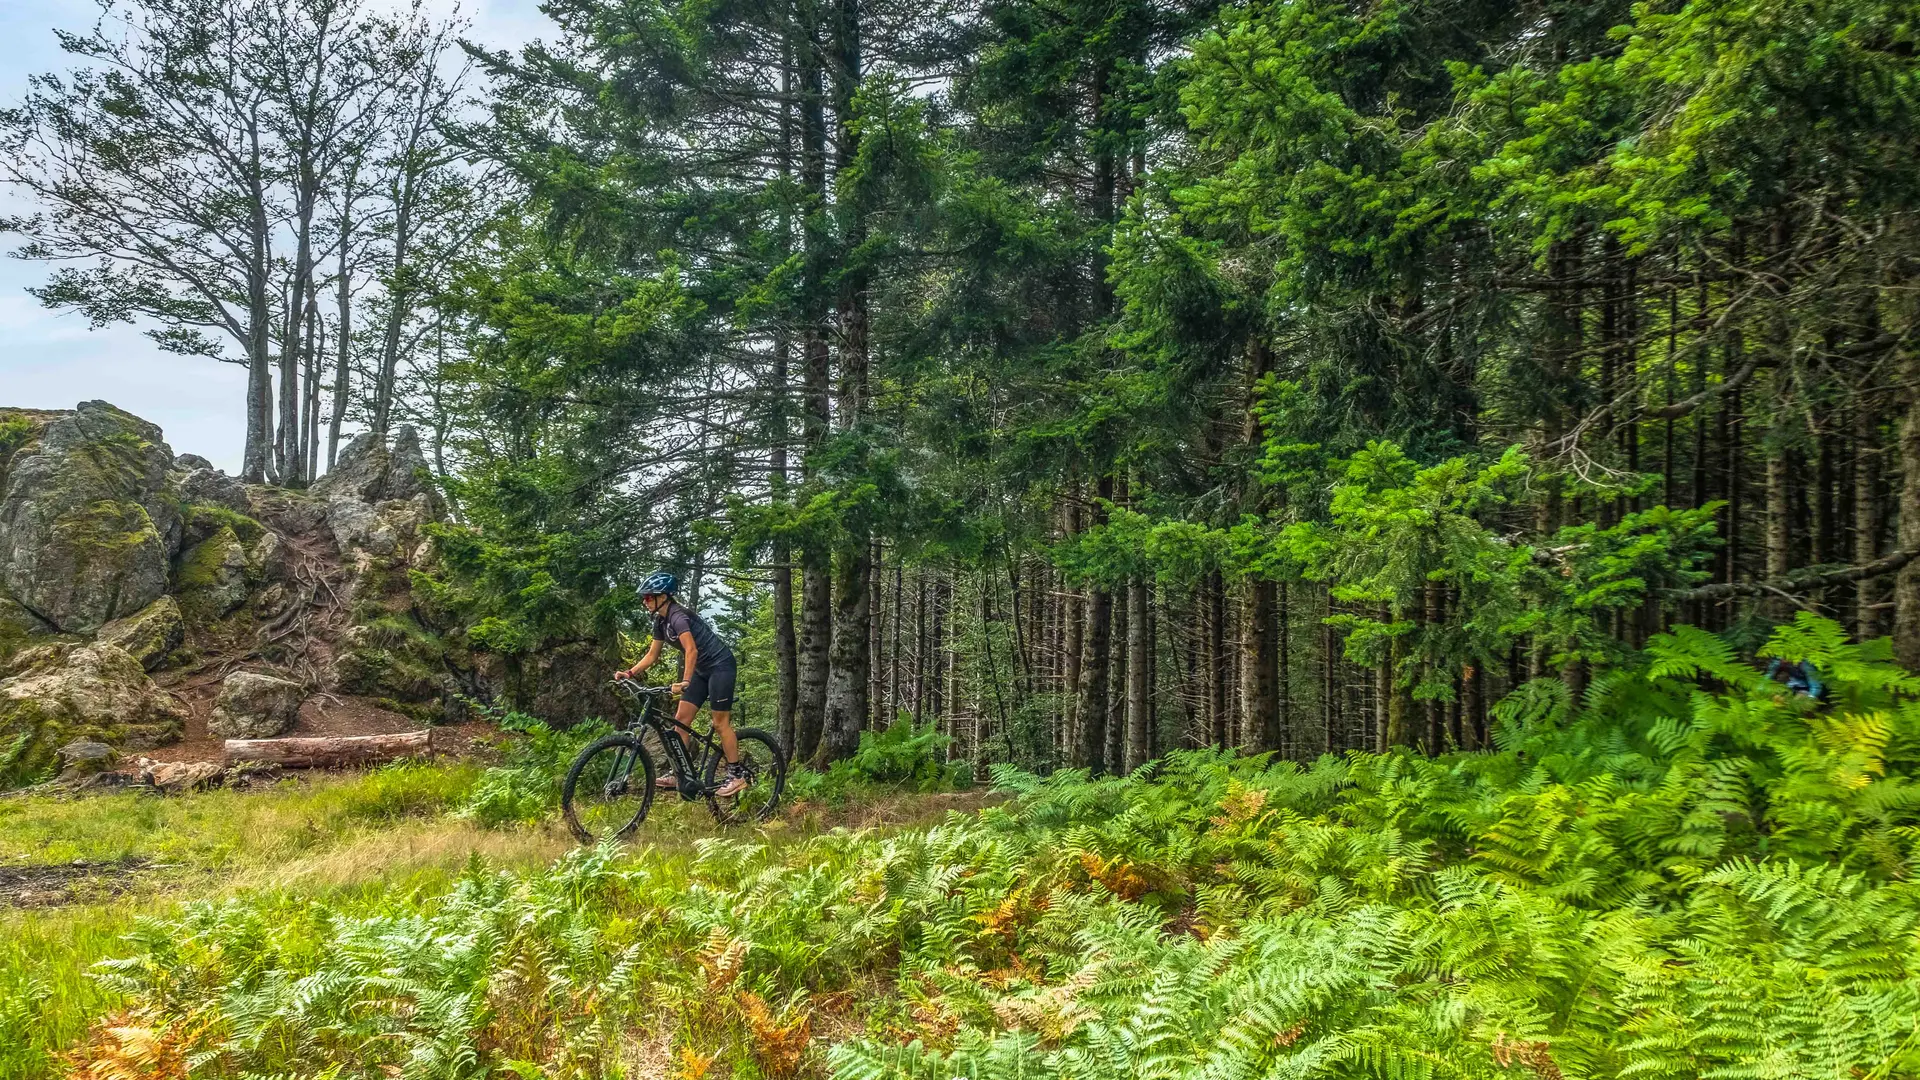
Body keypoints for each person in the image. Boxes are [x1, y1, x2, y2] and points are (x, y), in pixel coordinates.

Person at [617, 571, 746, 796]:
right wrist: (630, 672)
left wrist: (685, 681)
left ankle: (737, 775)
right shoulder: (660, 620)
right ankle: (680, 775)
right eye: (644, 598)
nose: (644, 601)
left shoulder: (678, 617)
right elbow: (652, 655)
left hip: (721, 666)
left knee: (719, 723)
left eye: (648, 597)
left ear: (663, 596)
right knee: (681, 720)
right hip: (702, 670)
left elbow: (691, 649)